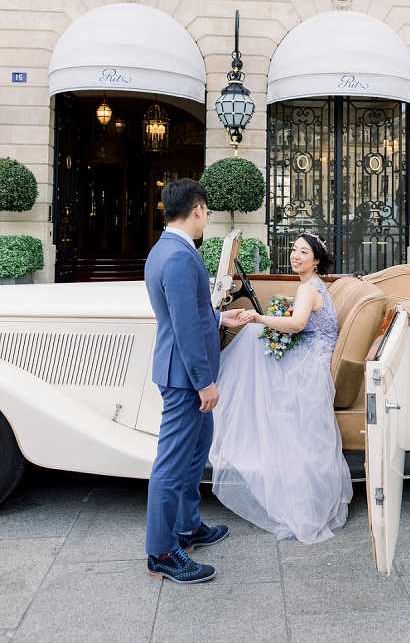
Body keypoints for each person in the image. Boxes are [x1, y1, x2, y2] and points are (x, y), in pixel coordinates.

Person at [210, 233, 353, 543]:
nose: (296, 256)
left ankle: (231, 415)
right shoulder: (315, 286)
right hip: (314, 353)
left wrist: (260, 317)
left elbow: (299, 324)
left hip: (312, 363)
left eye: (304, 252)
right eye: (294, 250)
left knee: (250, 339)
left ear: (316, 260)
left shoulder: (308, 288)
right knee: (253, 340)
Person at [144, 179, 249, 584]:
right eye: (207, 213)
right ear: (199, 210)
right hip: (185, 377)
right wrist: (205, 382)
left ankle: (188, 527)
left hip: (182, 371)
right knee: (171, 465)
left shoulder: (165, 250)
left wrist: (222, 317)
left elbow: (187, 313)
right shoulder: (179, 257)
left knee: (194, 452)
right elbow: (185, 327)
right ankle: (162, 552)